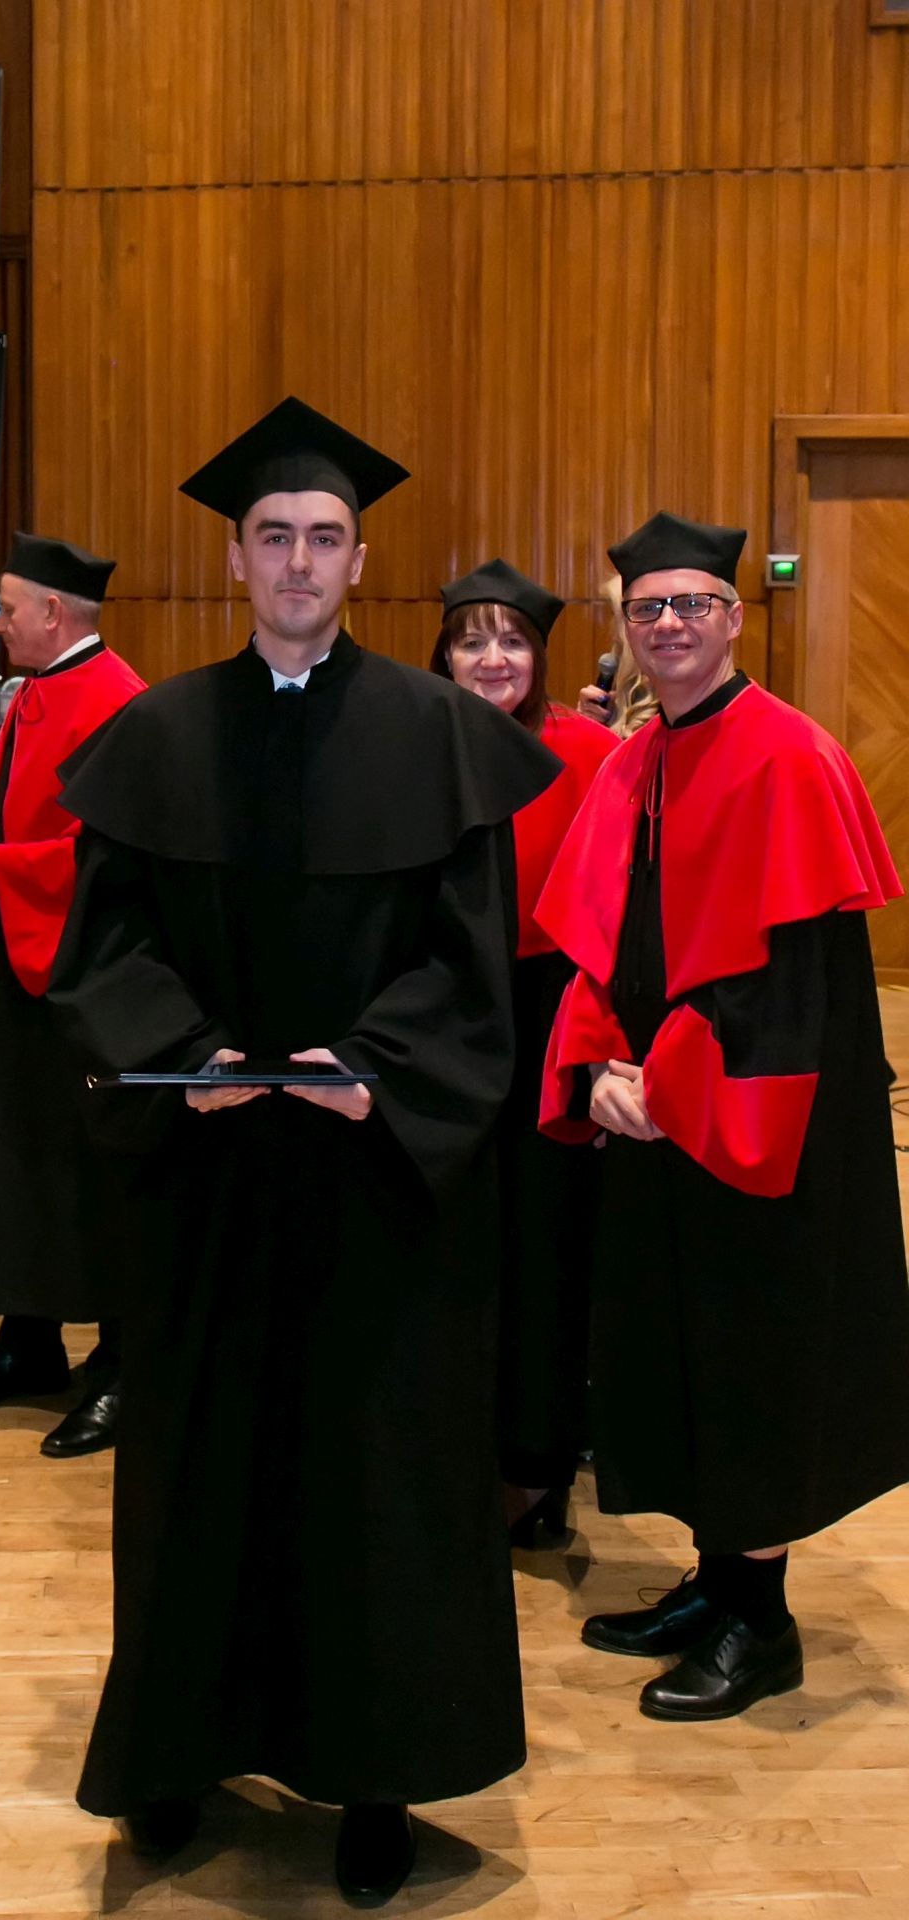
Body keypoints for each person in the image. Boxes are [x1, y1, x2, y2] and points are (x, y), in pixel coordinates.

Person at [47, 398, 560, 1901]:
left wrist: (376, 1066)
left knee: (375, 1485)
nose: (296, 562)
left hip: (374, 1182)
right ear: (234, 558)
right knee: (195, 1473)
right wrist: (184, 1055)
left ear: (358, 561)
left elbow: (471, 963)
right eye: (272, 536)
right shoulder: (157, 736)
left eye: (323, 538)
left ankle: (374, 1780)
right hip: (207, 1176)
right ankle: (177, 1752)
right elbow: (104, 947)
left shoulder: (440, 739)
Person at [538, 511, 909, 1721]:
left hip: (758, 1122)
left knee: (750, 1352)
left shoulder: (789, 757)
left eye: (690, 605)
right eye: (646, 609)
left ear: (733, 618)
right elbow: (600, 941)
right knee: (674, 1342)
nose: (667, 625)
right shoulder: (634, 760)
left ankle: (761, 1621)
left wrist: (667, 1086)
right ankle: (712, 1581)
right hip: (655, 1111)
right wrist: (595, 1066)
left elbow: (789, 993)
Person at [0, 535, 145, 1459]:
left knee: (91, 1171)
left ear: (53, 613)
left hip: (81, 971)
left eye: (6, 609)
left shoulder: (118, 701)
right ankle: (28, 1340)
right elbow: (5, 806)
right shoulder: (34, 693)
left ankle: (121, 1365)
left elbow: (116, 852)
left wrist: (4, 869)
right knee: (14, 1158)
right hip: (16, 960)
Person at [430, 560, 615, 1545]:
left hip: (550, 1016)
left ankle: (537, 1465)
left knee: (544, 1245)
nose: (492, 658)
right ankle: (446, 1450)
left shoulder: (586, 752)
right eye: (472, 640)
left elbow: (618, 918)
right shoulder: (414, 744)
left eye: (512, 641)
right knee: (447, 1243)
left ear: (539, 657)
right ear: (444, 656)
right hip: (438, 1018)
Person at [576, 572, 659, 737]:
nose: (611, 630)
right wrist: (589, 724)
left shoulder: (671, 701)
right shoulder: (618, 692)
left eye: (614, 616)